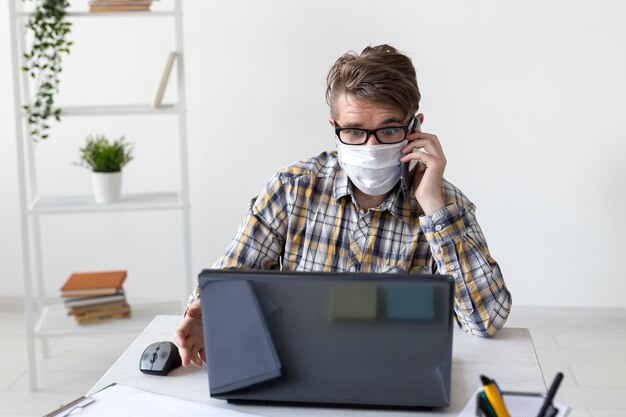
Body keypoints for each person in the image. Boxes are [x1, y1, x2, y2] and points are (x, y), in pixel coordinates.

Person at [175, 44, 512, 368]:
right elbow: (232, 274)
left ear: (416, 128)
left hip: (397, 370)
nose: (371, 146)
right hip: (298, 364)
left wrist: (434, 208)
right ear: (334, 128)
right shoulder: (293, 189)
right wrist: (207, 312)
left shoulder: (445, 204)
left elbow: (486, 321)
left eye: (389, 130)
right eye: (354, 132)